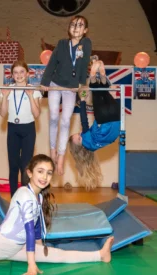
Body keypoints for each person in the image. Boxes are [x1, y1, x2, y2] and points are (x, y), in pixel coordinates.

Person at [40, 15, 92, 175]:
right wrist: (45, 82)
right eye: (73, 24)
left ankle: (61, 158)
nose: (76, 27)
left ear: (85, 30)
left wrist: (82, 85)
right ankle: (52, 150)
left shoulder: (86, 44)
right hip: (56, 83)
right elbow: (52, 63)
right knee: (54, 116)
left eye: (80, 25)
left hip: (71, 88)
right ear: (69, 28)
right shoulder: (62, 44)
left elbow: (83, 65)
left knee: (65, 121)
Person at [68, 60, 120, 190]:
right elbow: (84, 119)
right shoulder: (86, 140)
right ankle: (94, 77)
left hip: (117, 119)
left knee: (105, 93)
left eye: (78, 134)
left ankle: (102, 77)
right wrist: (83, 101)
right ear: (79, 146)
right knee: (98, 93)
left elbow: (109, 138)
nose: (81, 134)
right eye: (79, 136)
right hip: (103, 118)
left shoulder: (91, 148)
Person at [0, 60, 42, 197]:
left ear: (27, 74)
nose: (19, 75)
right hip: (13, 129)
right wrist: (5, 97)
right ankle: (13, 199)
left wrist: (30, 96)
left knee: (25, 166)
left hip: (28, 129)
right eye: (15, 72)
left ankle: (24, 198)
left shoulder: (34, 90)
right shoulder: (8, 89)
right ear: (12, 75)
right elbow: (2, 113)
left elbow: (36, 114)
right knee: (13, 166)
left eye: (22, 71)